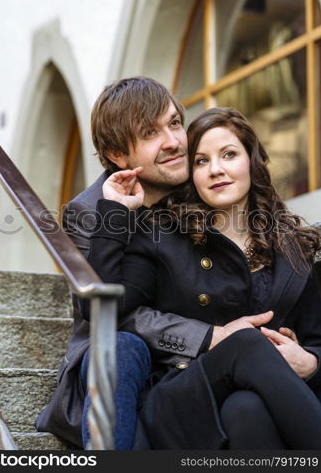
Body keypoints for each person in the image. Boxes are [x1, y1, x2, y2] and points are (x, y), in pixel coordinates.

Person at [81, 107, 321, 449]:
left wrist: (311, 363)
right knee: (248, 342)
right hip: (182, 397)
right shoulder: (162, 235)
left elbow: (317, 339)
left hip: (253, 404)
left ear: (251, 162)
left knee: (246, 409)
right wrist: (115, 213)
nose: (217, 170)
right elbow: (106, 308)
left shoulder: (293, 249)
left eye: (229, 155)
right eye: (201, 161)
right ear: (190, 174)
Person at [36, 77, 222, 449]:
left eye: (173, 123)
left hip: (191, 371)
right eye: (150, 133)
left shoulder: (203, 188)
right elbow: (112, 312)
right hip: (119, 364)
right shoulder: (87, 212)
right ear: (118, 155)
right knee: (122, 345)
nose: (173, 141)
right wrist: (208, 336)